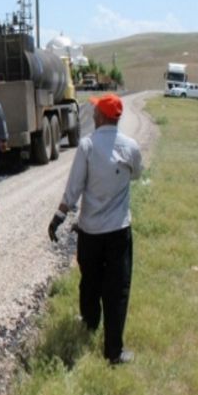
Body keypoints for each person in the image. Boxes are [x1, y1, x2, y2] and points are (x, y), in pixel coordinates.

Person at [48, 93, 142, 365]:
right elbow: (136, 174)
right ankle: (114, 352)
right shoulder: (130, 147)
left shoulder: (87, 146)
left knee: (89, 281)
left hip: (90, 232)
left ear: (100, 116)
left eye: (95, 111)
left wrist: (58, 217)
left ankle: (89, 324)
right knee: (117, 289)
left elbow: (73, 189)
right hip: (118, 232)